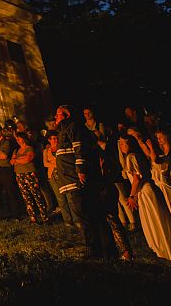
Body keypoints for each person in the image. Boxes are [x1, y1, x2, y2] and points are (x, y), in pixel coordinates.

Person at [119, 135, 171, 267]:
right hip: (148, 191)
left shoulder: (131, 157)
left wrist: (132, 196)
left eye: (124, 143)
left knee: (160, 223)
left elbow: (137, 178)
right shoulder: (137, 156)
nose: (122, 146)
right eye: (120, 143)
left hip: (146, 192)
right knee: (162, 221)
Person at [55, 105, 116, 259]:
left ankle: (97, 250)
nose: (55, 118)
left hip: (75, 179)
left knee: (87, 216)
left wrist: (80, 170)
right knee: (89, 215)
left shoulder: (72, 127)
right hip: (68, 178)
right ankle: (102, 249)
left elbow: (79, 149)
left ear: (66, 114)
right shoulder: (64, 130)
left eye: (57, 115)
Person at [11, 132, 49, 224]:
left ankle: (44, 217)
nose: (18, 140)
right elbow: (12, 162)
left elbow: (28, 159)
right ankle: (33, 218)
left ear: (23, 138)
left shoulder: (29, 148)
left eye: (19, 138)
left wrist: (17, 160)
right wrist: (19, 160)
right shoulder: (16, 150)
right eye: (16, 139)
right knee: (26, 197)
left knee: (36, 195)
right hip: (20, 175)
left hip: (29, 174)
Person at [0, 124, 21, 221]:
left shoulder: (7, 142)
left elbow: (4, 156)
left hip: (6, 169)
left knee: (10, 192)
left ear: (1, 131)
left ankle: (16, 215)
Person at [43, 131, 75, 226]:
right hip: (53, 176)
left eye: (56, 138)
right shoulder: (46, 151)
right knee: (61, 199)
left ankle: (76, 218)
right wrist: (56, 164)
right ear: (49, 140)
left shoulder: (62, 148)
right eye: (52, 139)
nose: (55, 140)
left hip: (64, 175)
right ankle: (67, 220)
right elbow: (45, 163)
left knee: (70, 197)